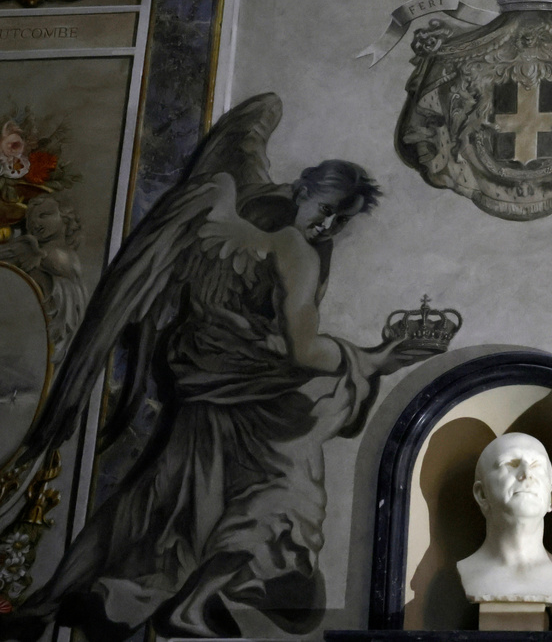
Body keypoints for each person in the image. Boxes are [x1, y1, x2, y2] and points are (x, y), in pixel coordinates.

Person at [2, 118, 429, 638]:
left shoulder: (226, 206)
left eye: (341, 222)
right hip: (249, 395)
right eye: (326, 210)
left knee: (154, 503)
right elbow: (303, 349)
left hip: (209, 380)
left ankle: (59, 602)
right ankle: (169, 603)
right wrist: (375, 359)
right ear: (302, 191)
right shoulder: (296, 253)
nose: (328, 227)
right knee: (285, 501)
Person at [457, 433, 552, 605]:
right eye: (510, 463)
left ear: (550, 498)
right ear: (482, 494)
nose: (526, 474)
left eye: (536, 465)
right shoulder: (467, 573)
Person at [0, 193, 86, 363]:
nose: (35, 223)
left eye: (44, 215)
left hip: (53, 336)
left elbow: (58, 263)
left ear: (66, 217)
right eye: (30, 220)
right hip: (33, 332)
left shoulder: (59, 255)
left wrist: (30, 252)